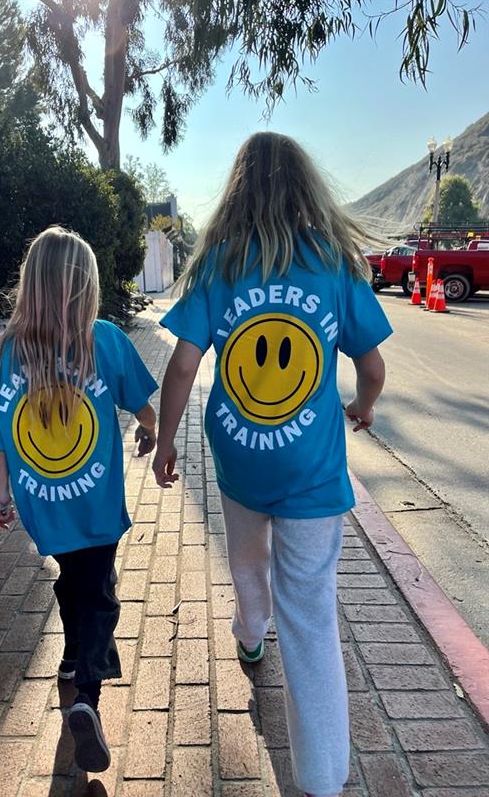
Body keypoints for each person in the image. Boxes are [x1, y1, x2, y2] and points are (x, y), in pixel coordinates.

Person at [153, 132, 391, 797]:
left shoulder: (219, 264)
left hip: (239, 456)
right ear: (305, 190)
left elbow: (180, 365)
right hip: (312, 470)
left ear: (238, 190)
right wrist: (360, 404)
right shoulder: (332, 264)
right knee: (311, 613)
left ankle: (249, 632)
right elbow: (371, 365)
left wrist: (167, 441)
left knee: (246, 556)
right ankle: (321, 779)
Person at [0, 226, 158, 773]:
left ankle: (67, 655)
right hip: (95, 505)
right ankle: (87, 698)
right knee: (100, 594)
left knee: (74, 579)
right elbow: (140, 402)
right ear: (85, 287)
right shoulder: (103, 339)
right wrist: (151, 432)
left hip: (45, 505)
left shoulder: (16, 348)